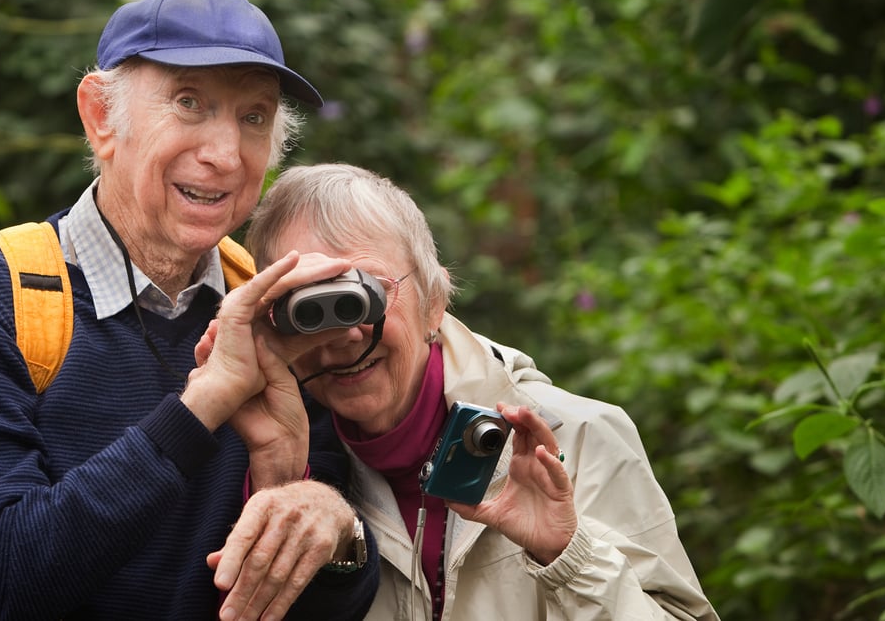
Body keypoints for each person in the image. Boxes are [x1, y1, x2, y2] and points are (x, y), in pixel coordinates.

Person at [0, 0, 378, 620]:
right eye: (189, 103)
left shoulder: (280, 307)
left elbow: (324, 608)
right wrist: (203, 405)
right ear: (101, 118)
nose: (224, 155)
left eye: (254, 117)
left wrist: (324, 516)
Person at [239, 163, 720, 620]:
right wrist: (281, 474)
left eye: (366, 294)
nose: (344, 334)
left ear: (434, 303)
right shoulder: (281, 458)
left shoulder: (576, 438)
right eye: (308, 307)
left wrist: (568, 556)